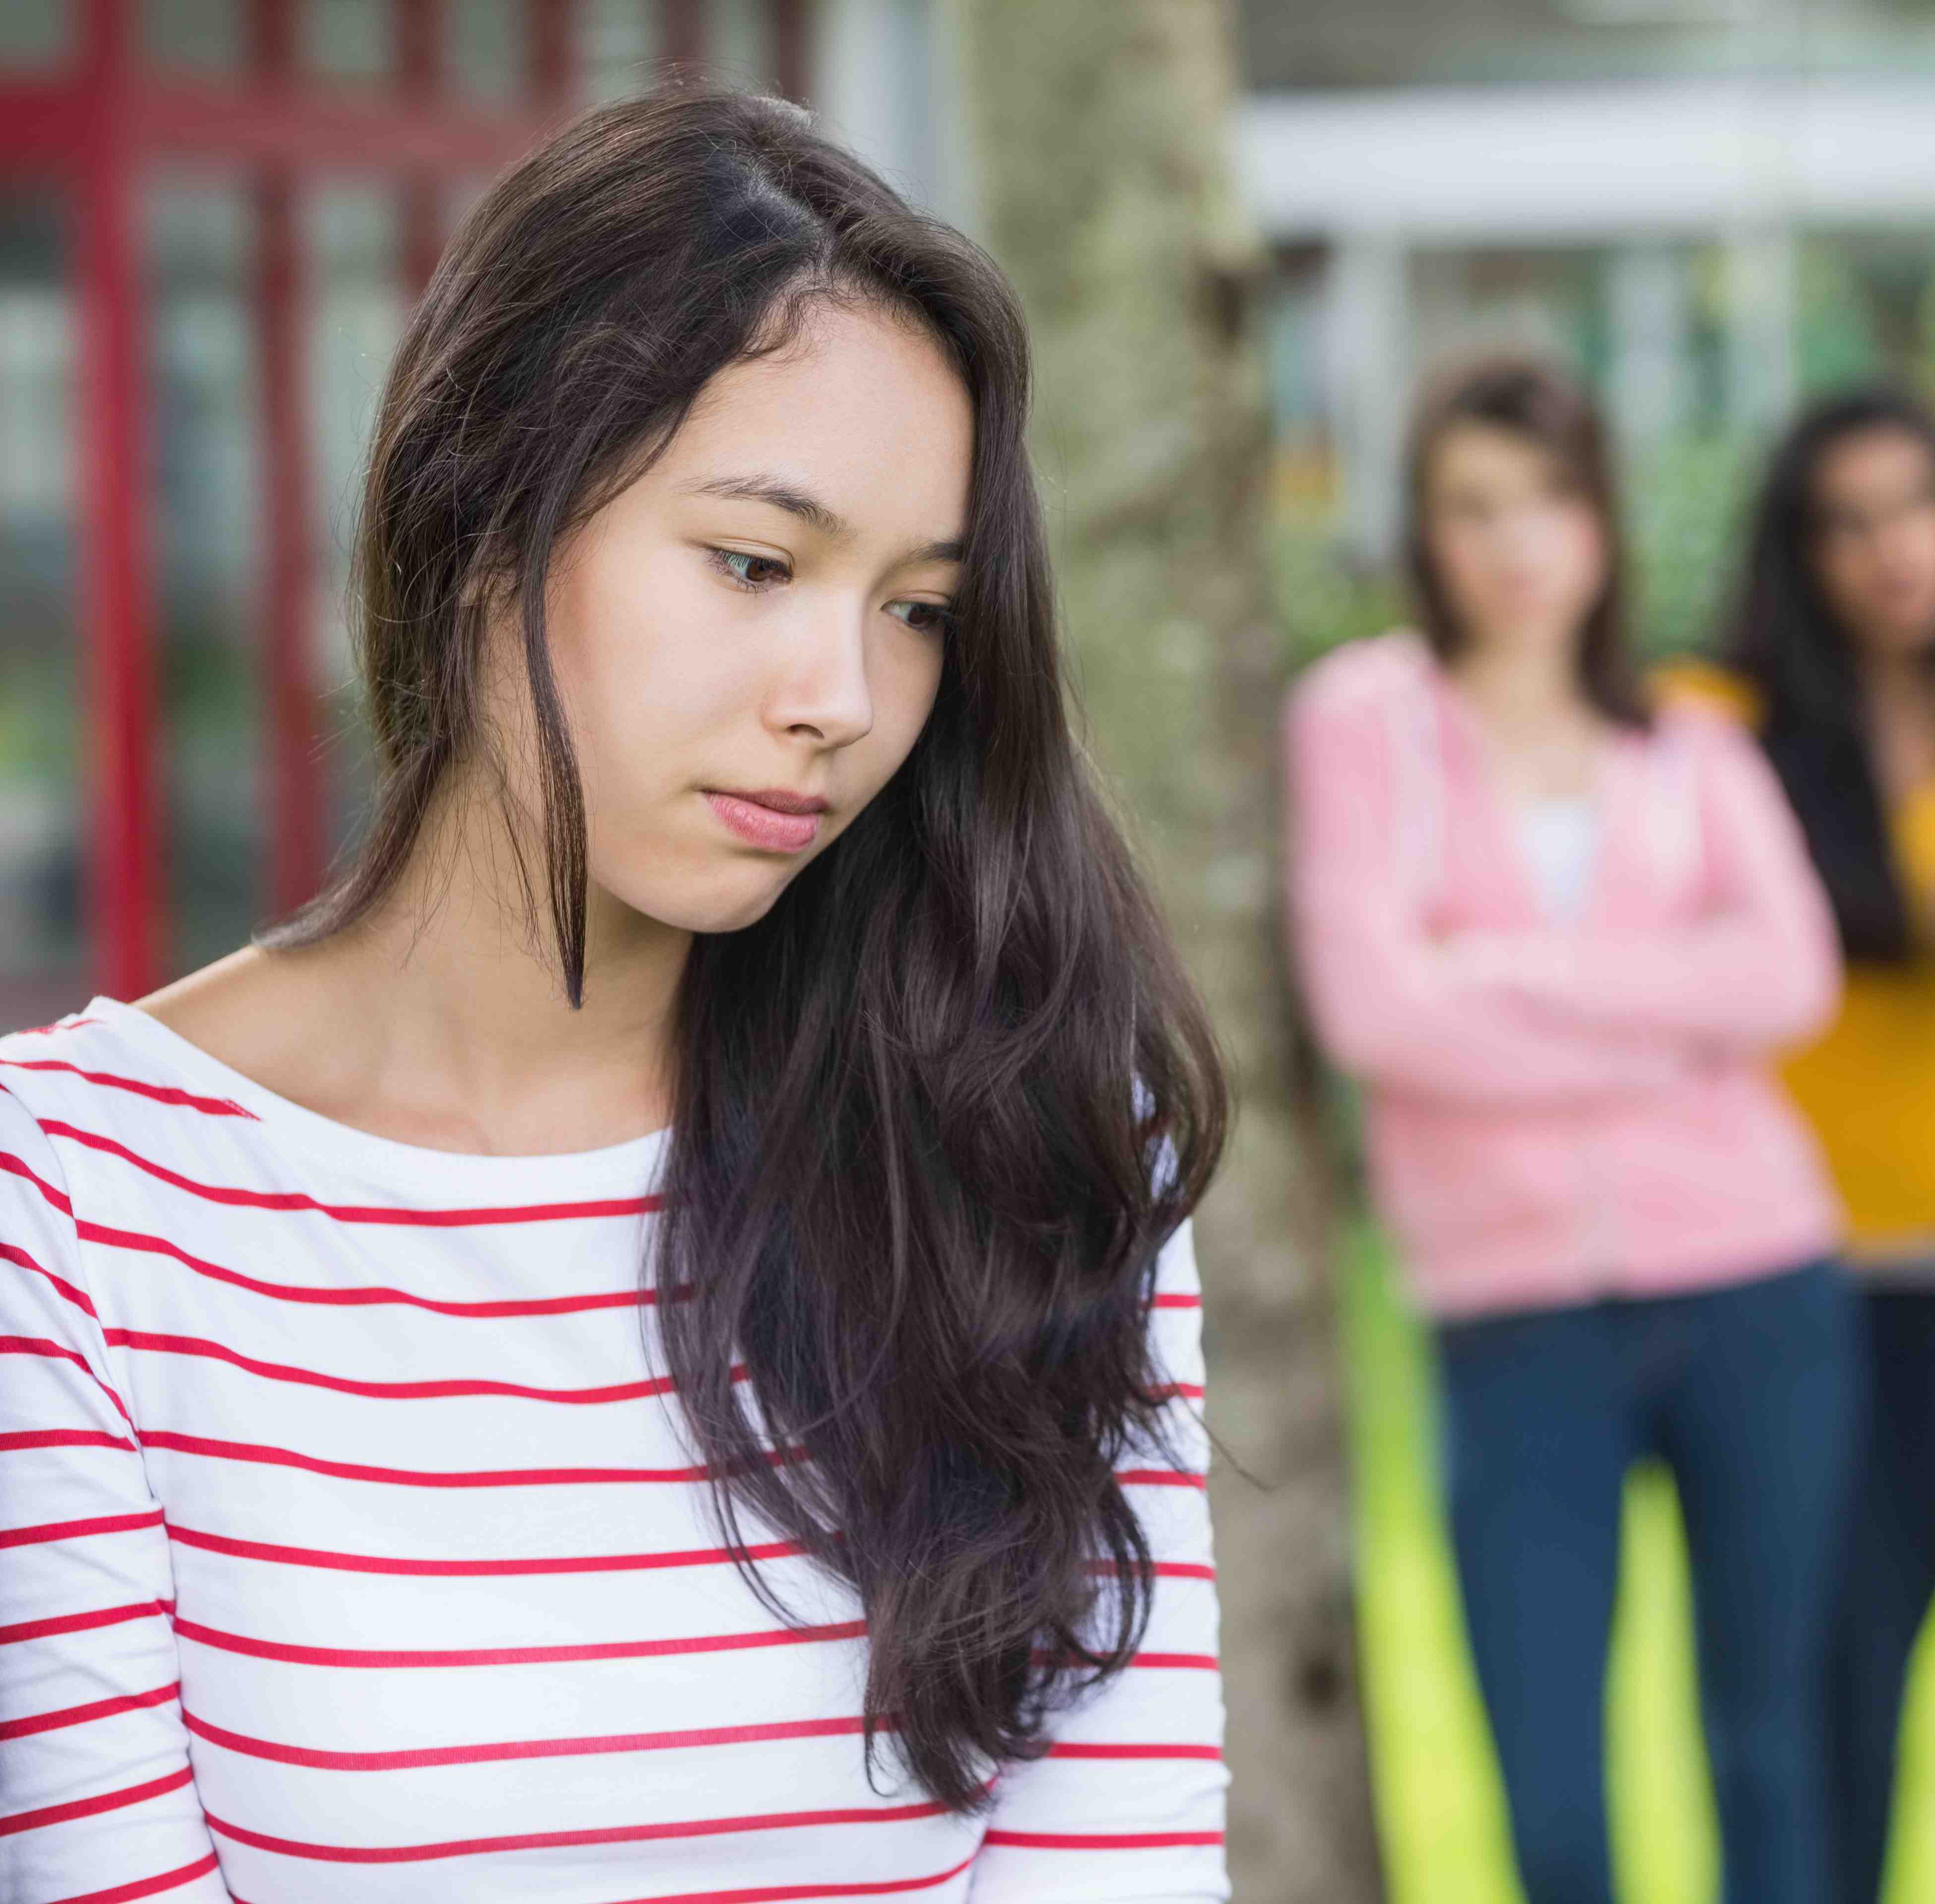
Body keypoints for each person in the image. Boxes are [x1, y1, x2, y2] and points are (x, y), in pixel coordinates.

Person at [0, 89, 1229, 1903]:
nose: (843, 695)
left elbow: (1113, 1866)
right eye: (755, 563)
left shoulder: (1020, 1129)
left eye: (919, 608)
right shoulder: (75, 1213)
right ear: (483, 519)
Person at [1284, 354, 1853, 1904]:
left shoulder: (1690, 741)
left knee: (1769, 1756)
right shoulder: (1364, 722)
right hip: (1517, 1316)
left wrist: (1509, 975)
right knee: (1551, 1811)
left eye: (1549, 499)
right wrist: (1669, 1023)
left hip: (1759, 1287)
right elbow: (1377, 1015)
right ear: (1422, 530)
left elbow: (1789, 978)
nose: (1515, 541)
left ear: (1601, 520)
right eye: (1473, 505)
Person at [1661, 386, 1935, 1903]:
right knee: (1776, 1674)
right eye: (1848, 524)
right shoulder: (1714, 726)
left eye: (1919, 508)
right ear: (1798, 553)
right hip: (1760, 1263)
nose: (1894, 552)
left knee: (1885, 1651)